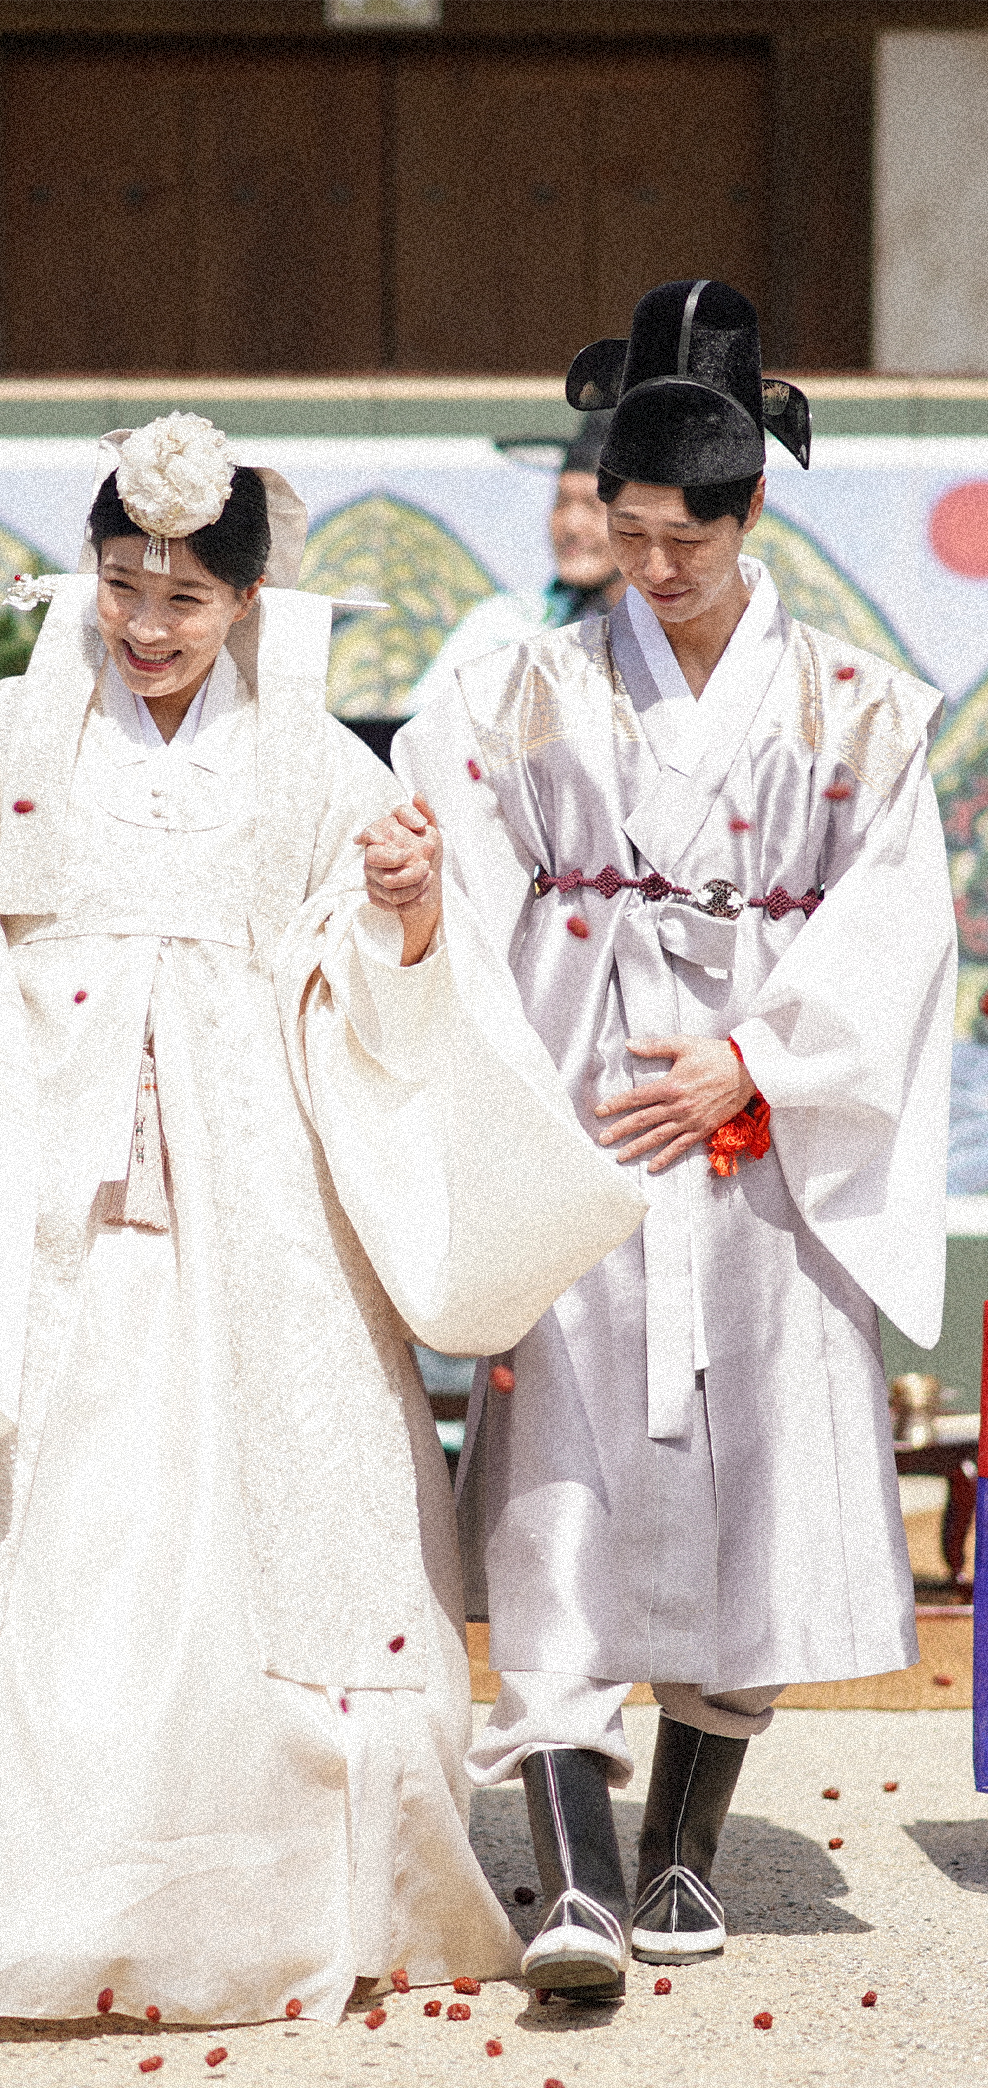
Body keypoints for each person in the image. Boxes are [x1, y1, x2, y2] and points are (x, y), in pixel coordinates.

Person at [0, 415, 643, 2026]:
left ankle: (234, 1889)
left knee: (263, 1515)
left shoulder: (319, 765)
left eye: (185, 601)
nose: (147, 627)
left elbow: (368, 983)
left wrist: (405, 911)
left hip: (255, 1194)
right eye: (122, 585)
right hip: (30, 1174)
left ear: (245, 601)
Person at [394, 281, 956, 1997]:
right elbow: (445, 877)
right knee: (559, 1484)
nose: (650, 567)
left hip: (760, 1142)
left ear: (753, 509)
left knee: (752, 1480)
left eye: (683, 541)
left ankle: (682, 1850)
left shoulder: (858, 707)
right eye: (625, 532)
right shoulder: (519, 691)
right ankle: (572, 1875)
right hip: (580, 1133)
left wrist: (752, 1059)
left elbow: (898, 928)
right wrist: (410, 901)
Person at [406, 418, 624, 716]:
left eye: (593, 506)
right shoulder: (504, 624)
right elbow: (423, 722)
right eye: (561, 503)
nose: (571, 525)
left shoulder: (676, 628)